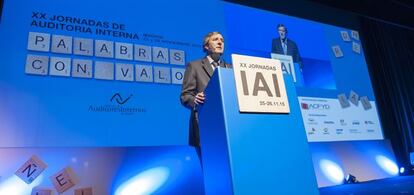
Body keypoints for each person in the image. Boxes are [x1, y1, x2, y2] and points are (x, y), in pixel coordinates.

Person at [180, 31, 231, 148]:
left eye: (222, 40)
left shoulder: (230, 68)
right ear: (206, 46)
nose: (220, 42)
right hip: (204, 123)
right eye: (215, 39)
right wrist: (195, 100)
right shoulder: (194, 66)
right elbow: (185, 96)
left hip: (229, 123)